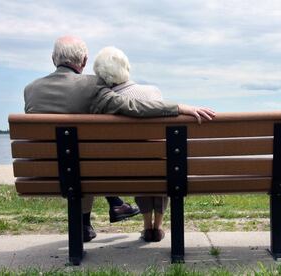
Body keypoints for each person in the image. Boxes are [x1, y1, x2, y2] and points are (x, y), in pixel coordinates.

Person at [24, 36, 215, 243]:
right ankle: (109, 209)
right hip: (82, 173)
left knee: (76, 160)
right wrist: (178, 108)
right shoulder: (91, 85)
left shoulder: (31, 89)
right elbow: (132, 107)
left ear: (53, 59)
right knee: (80, 161)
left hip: (41, 174)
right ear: (84, 61)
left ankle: (86, 223)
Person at [93, 46, 166, 242]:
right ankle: (157, 226)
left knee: (138, 164)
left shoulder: (101, 102)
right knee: (157, 162)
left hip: (120, 173)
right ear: (126, 67)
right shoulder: (152, 92)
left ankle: (145, 225)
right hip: (158, 170)